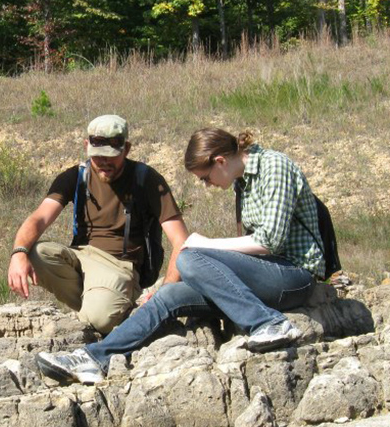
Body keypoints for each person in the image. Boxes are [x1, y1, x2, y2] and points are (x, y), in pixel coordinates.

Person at [36, 128, 324, 385]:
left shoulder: (275, 167)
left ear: (220, 161)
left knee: (188, 256)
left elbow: (269, 241)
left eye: (205, 178)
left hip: (293, 276)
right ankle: (95, 357)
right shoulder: (243, 181)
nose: (207, 185)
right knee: (170, 296)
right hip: (265, 273)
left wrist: (206, 245)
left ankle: (268, 323)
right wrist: (172, 281)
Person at [8, 115, 190, 335]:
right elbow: (39, 218)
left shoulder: (147, 179)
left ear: (127, 149)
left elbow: (181, 240)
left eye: (112, 156)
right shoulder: (76, 176)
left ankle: (111, 308)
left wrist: (167, 291)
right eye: (97, 156)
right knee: (36, 253)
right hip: (83, 257)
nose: (104, 162)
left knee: (100, 320)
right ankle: (108, 307)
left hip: (121, 266)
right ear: (86, 147)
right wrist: (18, 253)